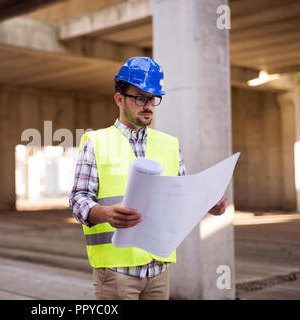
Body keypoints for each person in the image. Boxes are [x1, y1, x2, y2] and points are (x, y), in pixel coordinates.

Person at [69, 56, 227, 300]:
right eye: (140, 97)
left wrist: (207, 202)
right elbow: (78, 199)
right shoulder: (96, 142)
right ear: (119, 99)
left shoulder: (170, 144)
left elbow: (181, 196)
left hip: (159, 270)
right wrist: (107, 214)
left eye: (153, 98)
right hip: (116, 272)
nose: (149, 105)